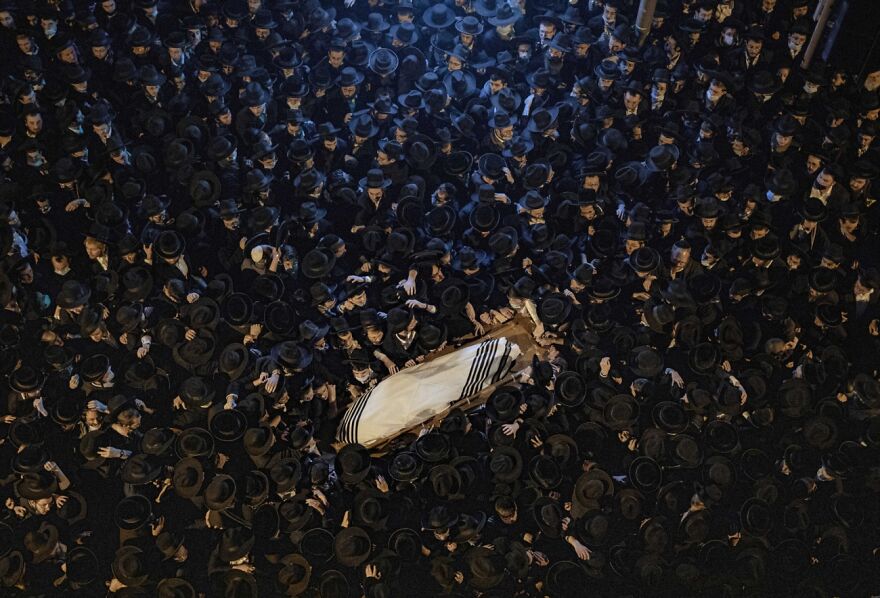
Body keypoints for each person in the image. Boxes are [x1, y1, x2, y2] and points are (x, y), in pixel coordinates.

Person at [0, 1, 879, 596]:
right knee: (459, 376)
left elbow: (419, 391)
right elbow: (424, 394)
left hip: (421, 391)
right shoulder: (376, 414)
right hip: (424, 391)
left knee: (456, 375)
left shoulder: (371, 414)